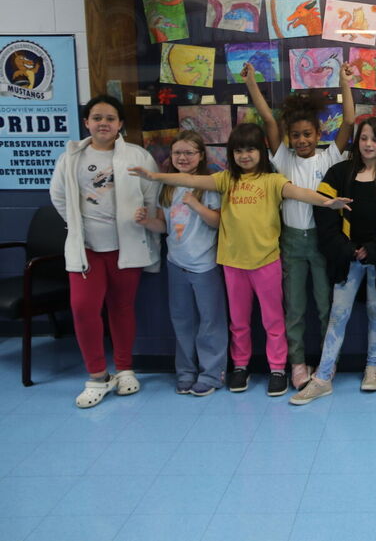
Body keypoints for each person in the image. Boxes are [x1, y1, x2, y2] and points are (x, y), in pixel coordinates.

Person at [129, 123, 351, 397]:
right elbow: (191, 180)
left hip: (266, 262)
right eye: (238, 151)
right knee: (238, 321)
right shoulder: (225, 180)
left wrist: (328, 202)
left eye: (251, 150)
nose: (244, 156)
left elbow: (301, 193)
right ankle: (241, 366)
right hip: (233, 264)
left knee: (273, 320)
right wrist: (153, 175)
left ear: (262, 152)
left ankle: (278, 368)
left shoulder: (273, 181)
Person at [243, 61, 356, 390]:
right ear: (288, 138)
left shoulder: (328, 158)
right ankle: (296, 363)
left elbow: (349, 121)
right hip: (290, 243)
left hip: (322, 243)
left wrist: (343, 82)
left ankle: (326, 362)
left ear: (319, 135)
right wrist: (251, 84)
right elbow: (267, 118)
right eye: (296, 135)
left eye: (308, 134)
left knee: (325, 306)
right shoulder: (282, 159)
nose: (302, 140)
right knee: (293, 308)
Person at [290, 118, 376, 405]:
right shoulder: (338, 173)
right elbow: (324, 215)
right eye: (364, 138)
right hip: (346, 260)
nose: (369, 144)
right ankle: (322, 377)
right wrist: (345, 250)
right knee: (337, 316)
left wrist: (374, 248)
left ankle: (373, 367)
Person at [50, 95, 160, 408]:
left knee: (122, 308)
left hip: (126, 246)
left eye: (110, 118)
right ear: (86, 122)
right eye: (97, 117)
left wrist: (146, 221)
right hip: (87, 250)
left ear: (120, 124)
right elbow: (59, 197)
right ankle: (97, 376)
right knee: (84, 310)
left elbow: (151, 196)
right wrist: (78, 227)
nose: (103, 123)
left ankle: (124, 369)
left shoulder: (137, 156)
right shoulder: (71, 157)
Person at [134, 131, 227, 396]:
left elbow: (218, 222)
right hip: (176, 264)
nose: (182, 157)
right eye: (177, 153)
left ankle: (212, 373)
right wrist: (145, 222)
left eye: (189, 152)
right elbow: (163, 226)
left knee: (211, 322)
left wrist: (196, 204)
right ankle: (186, 371)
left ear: (200, 156)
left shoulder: (208, 184)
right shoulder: (168, 186)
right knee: (182, 321)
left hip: (205, 265)